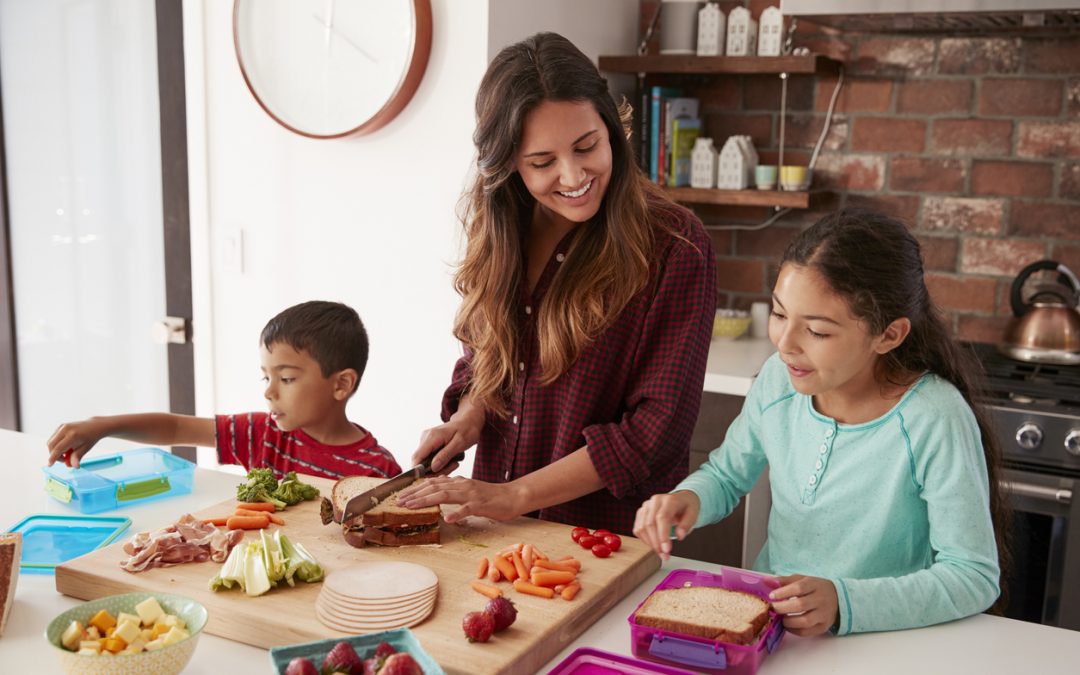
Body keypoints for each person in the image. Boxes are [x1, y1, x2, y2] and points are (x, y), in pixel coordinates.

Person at [634, 209, 1009, 637]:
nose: (785, 343)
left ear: (889, 335)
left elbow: (973, 576)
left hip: (886, 642)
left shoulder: (933, 418)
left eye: (817, 330)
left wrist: (844, 603)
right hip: (775, 630)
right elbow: (726, 474)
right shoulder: (779, 378)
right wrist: (689, 499)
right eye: (779, 314)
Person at [397, 32, 716, 536]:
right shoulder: (502, 228)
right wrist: (468, 417)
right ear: (508, 165)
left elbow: (655, 431)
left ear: (610, 127)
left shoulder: (675, 245)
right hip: (494, 531)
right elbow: (487, 358)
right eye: (542, 163)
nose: (573, 175)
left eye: (587, 146)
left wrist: (515, 495)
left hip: (603, 541)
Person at [46, 300, 401, 480]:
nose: (269, 392)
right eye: (266, 377)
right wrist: (103, 425)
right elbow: (176, 428)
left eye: (287, 378)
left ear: (341, 384)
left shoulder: (376, 470)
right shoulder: (262, 434)